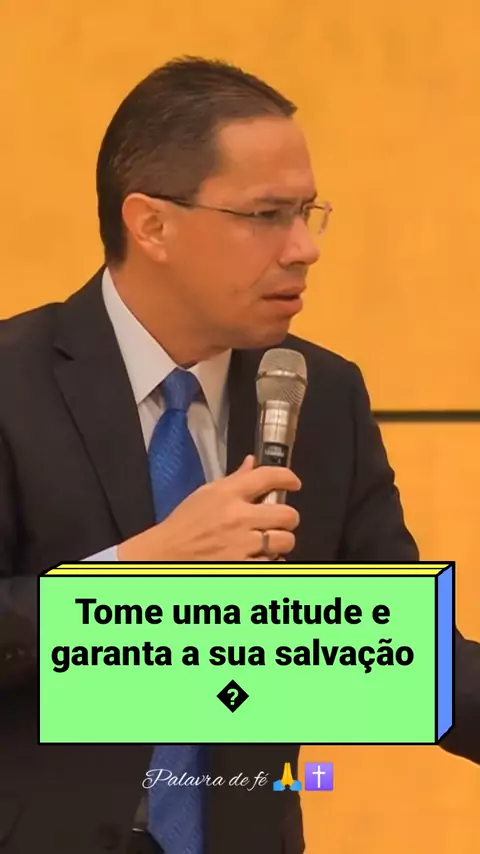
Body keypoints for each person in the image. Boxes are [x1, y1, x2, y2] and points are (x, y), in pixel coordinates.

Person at [0, 55, 478, 854]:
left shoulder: (323, 394)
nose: (304, 248)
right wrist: (133, 571)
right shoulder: (12, 383)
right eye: (266, 215)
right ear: (151, 224)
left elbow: (403, 654)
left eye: (307, 212)